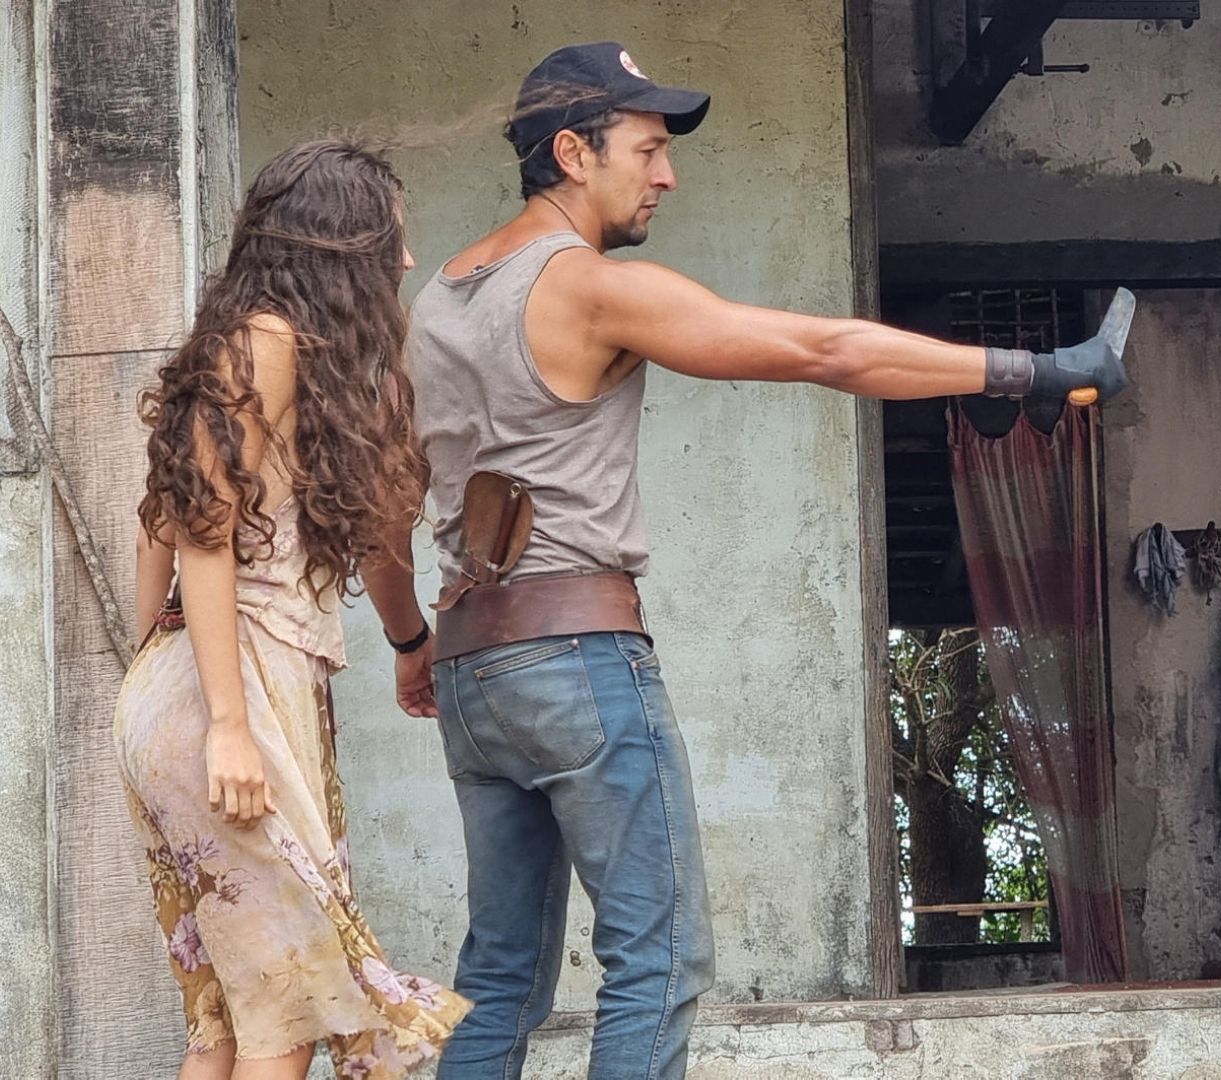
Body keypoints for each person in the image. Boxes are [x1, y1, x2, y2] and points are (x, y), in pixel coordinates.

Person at [354, 41, 1129, 1080]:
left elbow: (377, 509)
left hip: (472, 667)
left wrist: (410, 640)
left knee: (497, 977)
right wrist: (1028, 369)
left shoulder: (436, 303)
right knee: (658, 962)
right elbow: (823, 352)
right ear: (574, 153)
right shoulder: (584, 287)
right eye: (649, 149)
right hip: (578, 656)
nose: (666, 175)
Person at [118, 141, 470, 1080]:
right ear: (340, 244)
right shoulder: (266, 344)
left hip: (201, 679)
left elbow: (158, 522)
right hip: (238, 689)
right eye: (388, 240)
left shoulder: (255, 353)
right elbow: (199, 524)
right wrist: (224, 722)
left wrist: (156, 676)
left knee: (230, 1022)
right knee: (288, 1015)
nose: (402, 262)